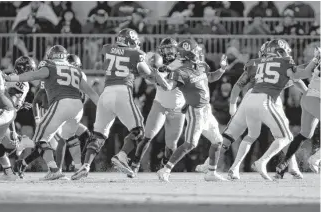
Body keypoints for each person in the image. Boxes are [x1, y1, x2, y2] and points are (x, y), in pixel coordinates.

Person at [4, 45, 99, 181]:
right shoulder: (75, 70)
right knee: (70, 138)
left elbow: (33, 75)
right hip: (77, 107)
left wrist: (11, 79)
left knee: (40, 139)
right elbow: (91, 92)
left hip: (61, 104)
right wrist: (102, 108)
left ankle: (54, 170)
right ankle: (78, 168)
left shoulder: (50, 66)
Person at [71, 28, 153, 180]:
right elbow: (147, 73)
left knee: (99, 134)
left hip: (106, 93)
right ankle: (121, 156)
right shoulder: (137, 54)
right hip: (122, 92)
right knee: (139, 131)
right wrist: (158, 77)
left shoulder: (107, 48)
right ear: (130, 42)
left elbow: (113, 55)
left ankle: (85, 165)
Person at [232, 39, 309, 180]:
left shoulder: (256, 63)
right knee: (285, 136)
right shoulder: (284, 62)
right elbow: (296, 78)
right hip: (267, 99)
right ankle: (263, 161)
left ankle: (235, 168)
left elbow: (239, 84)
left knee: (254, 135)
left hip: (252, 98)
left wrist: (232, 104)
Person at [153, 39, 228, 182]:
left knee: (218, 141)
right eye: (195, 51)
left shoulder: (201, 65)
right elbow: (168, 87)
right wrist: (158, 75)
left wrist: (222, 69)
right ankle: (165, 169)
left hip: (207, 110)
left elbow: (211, 77)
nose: (199, 53)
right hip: (195, 112)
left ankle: (211, 172)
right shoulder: (181, 71)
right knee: (190, 144)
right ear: (188, 55)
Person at [127, 38, 186, 178]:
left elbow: (168, 83)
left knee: (172, 144)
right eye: (166, 49)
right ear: (161, 50)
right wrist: (149, 70)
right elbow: (150, 79)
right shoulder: (158, 62)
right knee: (148, 136)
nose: (169, 52)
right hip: (160, 104)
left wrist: (155, 71)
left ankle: (165, 170)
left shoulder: (181, 63)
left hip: (178, 108)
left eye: (171, 48)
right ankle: (134, 166)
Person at [275, 47, 321, 177]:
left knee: (305, 134)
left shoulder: (317, 59)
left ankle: (283, 165)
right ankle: (316, 158)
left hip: (308, 98)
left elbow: (299, 74)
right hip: (315, 99)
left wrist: (315, 58)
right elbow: (302, 74)